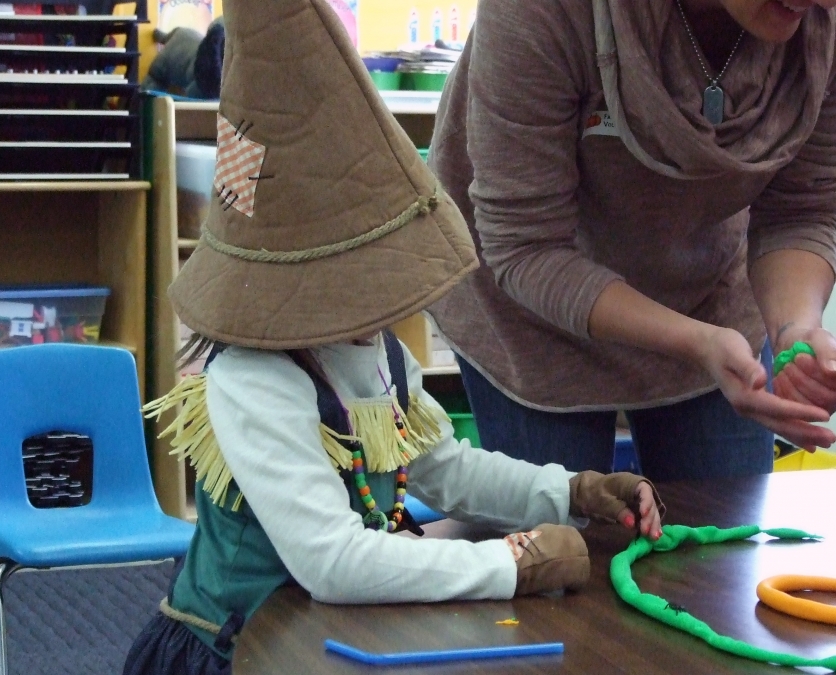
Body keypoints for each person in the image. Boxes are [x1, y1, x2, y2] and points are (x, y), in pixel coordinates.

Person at [122, 1, 665, 673]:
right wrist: (509, 559)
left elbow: (447, 466)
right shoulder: (253, 380)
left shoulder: (377, 355)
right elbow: (334, 558)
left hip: (335, 635)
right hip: (242, 649)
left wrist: (572, 491)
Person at [426, 0, 836, 481]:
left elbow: (799, 210)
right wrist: (698, 342)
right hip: (531, 315)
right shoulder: (540, 11)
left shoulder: (819, 20)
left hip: (708, 300)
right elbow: (526, 246)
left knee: (727, 541)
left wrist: (795, 326)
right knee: (565, 546)